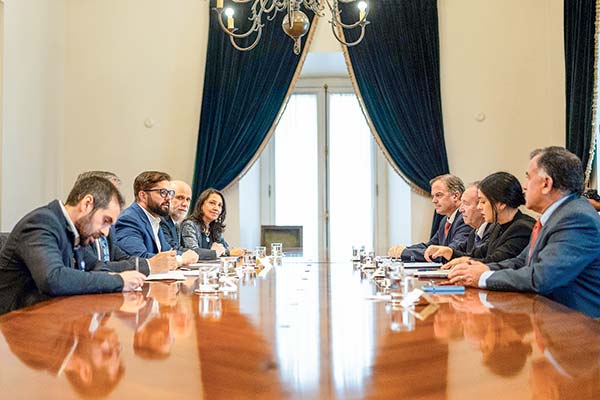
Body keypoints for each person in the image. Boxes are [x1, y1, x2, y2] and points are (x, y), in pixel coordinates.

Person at [448, 147, 600, 318]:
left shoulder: (576, 218)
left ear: (546, 184)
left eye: (528, 177)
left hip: (580, 329)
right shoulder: (557, 215)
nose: (524, 186)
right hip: (552, 319)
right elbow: (521, 261)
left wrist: (483, 277)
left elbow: (541, 278)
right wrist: (483, 268)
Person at [0, 176, 146, 315]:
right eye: (105, 220)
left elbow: (95, 265)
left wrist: (140, 270)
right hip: (14, 326)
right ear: (87, 204)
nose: (106, 233)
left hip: (51, 317)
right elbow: (53, 279)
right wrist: (119, 281)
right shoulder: (41, 222)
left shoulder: (74, 231)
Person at [440, 172, 535, 267]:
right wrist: (450, 253)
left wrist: (466, 261)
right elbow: (478, 254)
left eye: (483, 202)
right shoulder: (497, 226)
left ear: (501, 203)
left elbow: (496, 261)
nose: (479, 207)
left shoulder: (522, 228)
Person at [114, 171, 198, 267]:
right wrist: (181, 259)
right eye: (163, 192)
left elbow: (167, 251)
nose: (168, 198)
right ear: (143, 196)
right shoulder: (129, 219)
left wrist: (184, 255)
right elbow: (139, 258)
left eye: (170, 193)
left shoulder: (154, 219)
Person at [388, 174, 472, 262]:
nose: (434, 200)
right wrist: (403, 249)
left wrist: (405, 253)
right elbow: (430, 246)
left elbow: (447, 253)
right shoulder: (445, 220)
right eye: (433, 196)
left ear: (455, 196)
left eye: (438, 195)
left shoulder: (465, 218)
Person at [424, 182, 492, 262]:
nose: (461, 209)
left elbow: (489, 261)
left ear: (481, 206)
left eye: (466, 204)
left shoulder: (493, 232)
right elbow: (468, 256)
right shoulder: (473, 234)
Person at [181, 188, 244, 260]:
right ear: (201, 205)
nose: (216, 208)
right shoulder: (189, 225)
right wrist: (217, 252)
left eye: (220, 205)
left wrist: (224, 252)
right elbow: (193, 252)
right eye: (212, 203)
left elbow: (224, 248)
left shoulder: (214, 227)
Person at [160, 180, 192, 251]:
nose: (185, 204)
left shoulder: (178, 225)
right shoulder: (161, 221)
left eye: (188, 199)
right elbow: (173, 249)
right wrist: (212, 253)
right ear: (166, 198)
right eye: (180, 198)